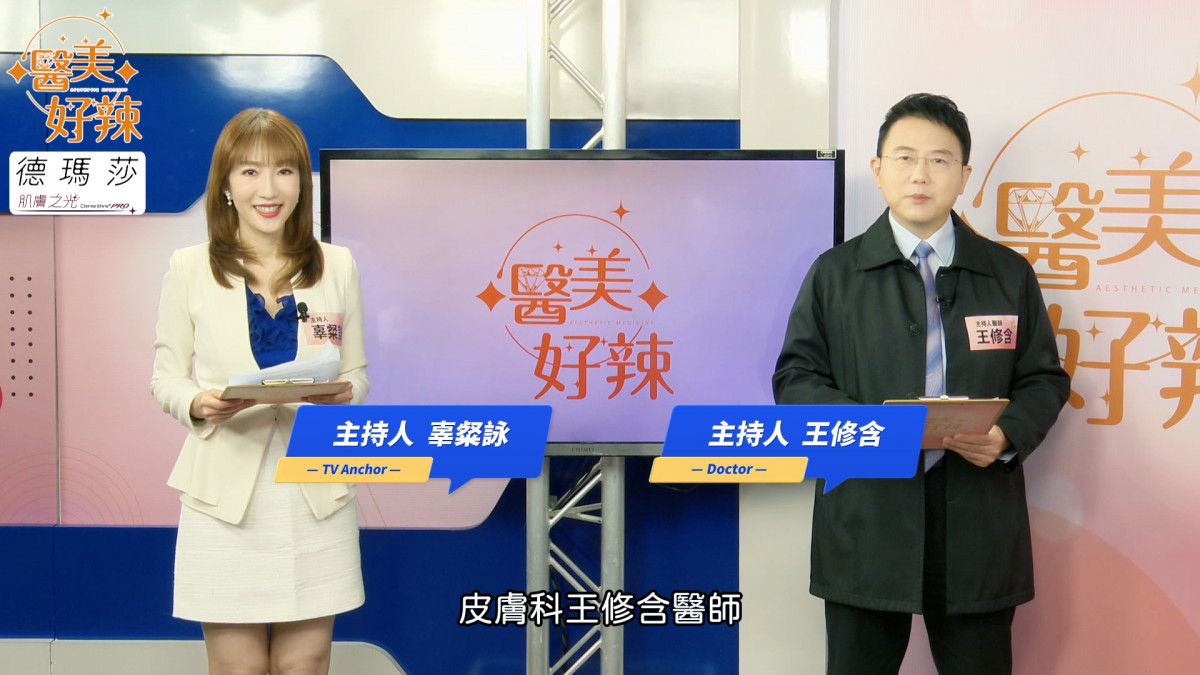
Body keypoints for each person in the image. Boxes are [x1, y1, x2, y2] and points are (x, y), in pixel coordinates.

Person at [773, 93, 1070, 674]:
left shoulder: (1007, 273)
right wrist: (868, 430)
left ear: (964, 176)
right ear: (878, 169)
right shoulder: (836, 274)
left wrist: (1007, 435)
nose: (920, 175)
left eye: (939, 160)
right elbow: (796, 377)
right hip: (866, 508)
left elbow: (1043, 378)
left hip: (976, 515)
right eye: (904, 157)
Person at [151, 108, 369, 675]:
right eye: (249, 172)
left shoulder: (337, 265)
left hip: (316, 491)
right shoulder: (190, 268)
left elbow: (357, 371)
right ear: (225, 185)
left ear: (301, 182)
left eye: (283, 171)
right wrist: (197, 403)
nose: (268, 190)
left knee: (306, 663)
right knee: (239, 667)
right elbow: (165, 377)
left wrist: (344, 393)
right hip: (224, 497)